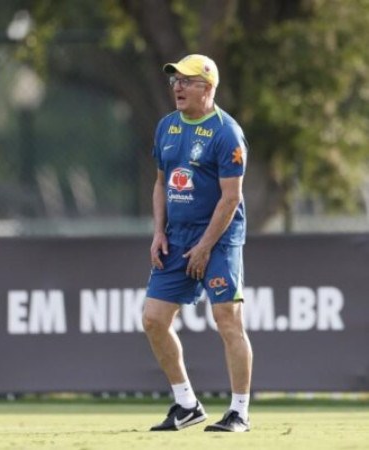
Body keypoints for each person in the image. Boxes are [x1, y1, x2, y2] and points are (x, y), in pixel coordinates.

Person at [143, 54, 253, 432]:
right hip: (177, 237)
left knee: (227, 319)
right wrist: (159, 231)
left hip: (219, 238)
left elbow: (231, 198)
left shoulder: (226, 132)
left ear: (208, 88)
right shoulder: (166, 127)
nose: (178, 86)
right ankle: (186, 404)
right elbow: (161, 182)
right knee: (153, 319)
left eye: (187, 81)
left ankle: (239, 411)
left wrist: (206, 246)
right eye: (175, 79)